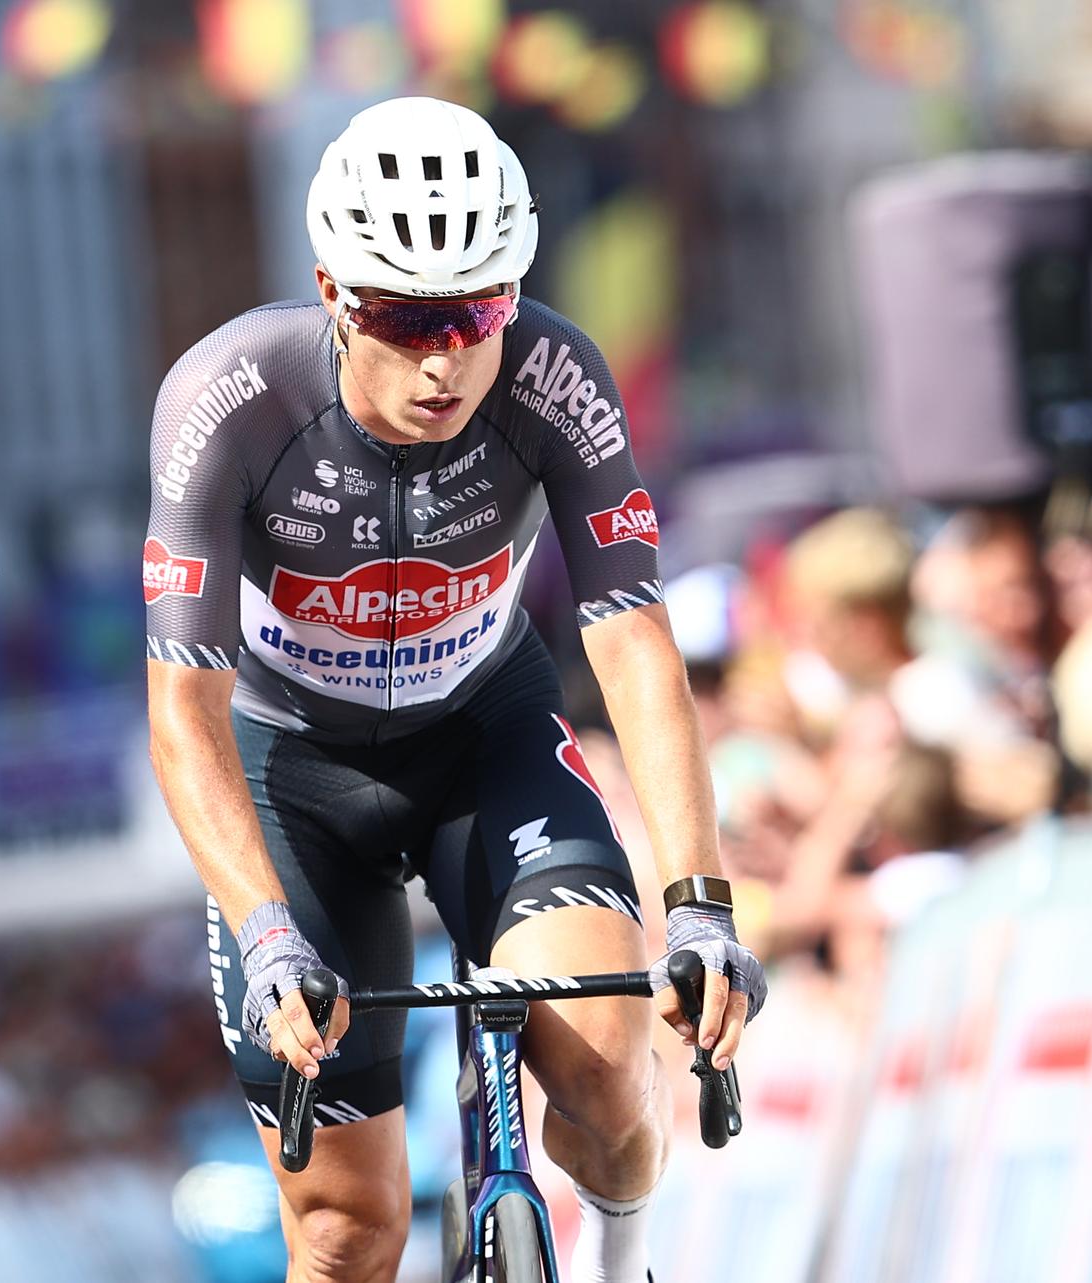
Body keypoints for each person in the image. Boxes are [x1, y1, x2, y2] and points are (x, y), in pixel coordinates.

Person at [143, 97, 765, 1283]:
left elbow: (633, 639)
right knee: (345, 1229)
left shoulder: (554, 375)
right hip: (293, 778)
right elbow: (183, 708)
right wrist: (268, 931)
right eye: (402, 317)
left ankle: (621, 1264)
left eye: (478, 312)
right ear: (333, 290)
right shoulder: (228, 398)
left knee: (606, 1074)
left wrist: (699, 902)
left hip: (485, 739)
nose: (444, 359)